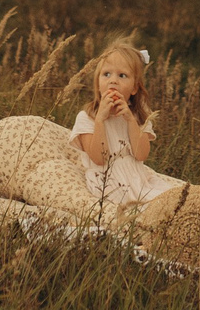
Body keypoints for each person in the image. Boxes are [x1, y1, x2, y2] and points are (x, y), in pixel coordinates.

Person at [69, 40, 184, 211]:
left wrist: (130, 120)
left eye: (122, 76)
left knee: (170, 203)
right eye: (106, 74)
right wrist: (100, 119)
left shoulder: (138, 115)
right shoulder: (88, 117)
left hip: (137, 178)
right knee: (139, 210)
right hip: (107, 182)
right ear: (98, 82)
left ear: (134, 88)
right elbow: (99, 158)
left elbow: (141, 154)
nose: (113, 81)